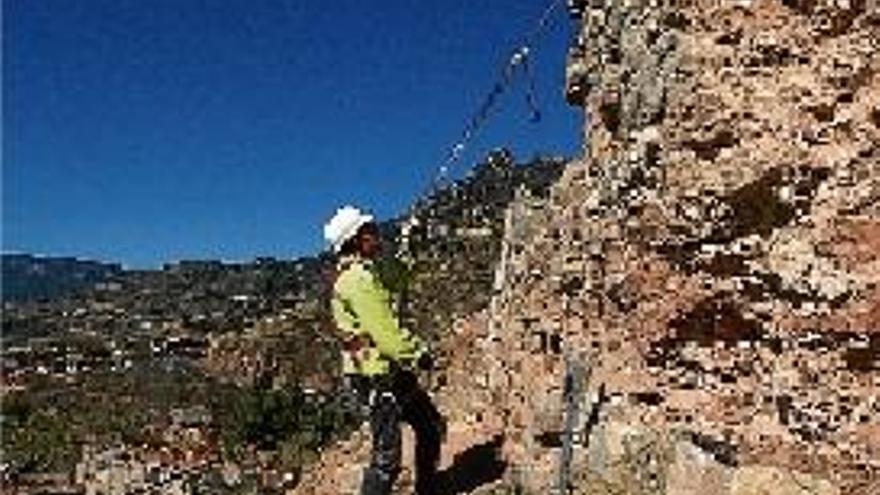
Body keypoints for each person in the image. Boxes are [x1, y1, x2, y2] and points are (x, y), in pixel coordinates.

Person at [324, 205, 444, 495]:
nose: (377, 233)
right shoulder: (358, 280)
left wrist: (410, 241)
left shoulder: (371, 270)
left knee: (429, 426)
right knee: (386, 459)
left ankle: (427, 490)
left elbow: (400, 276)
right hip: (374, 377)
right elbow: (385, 334)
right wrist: (419, 354)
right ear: (355, 239)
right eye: (370, 230)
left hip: (387, 372)